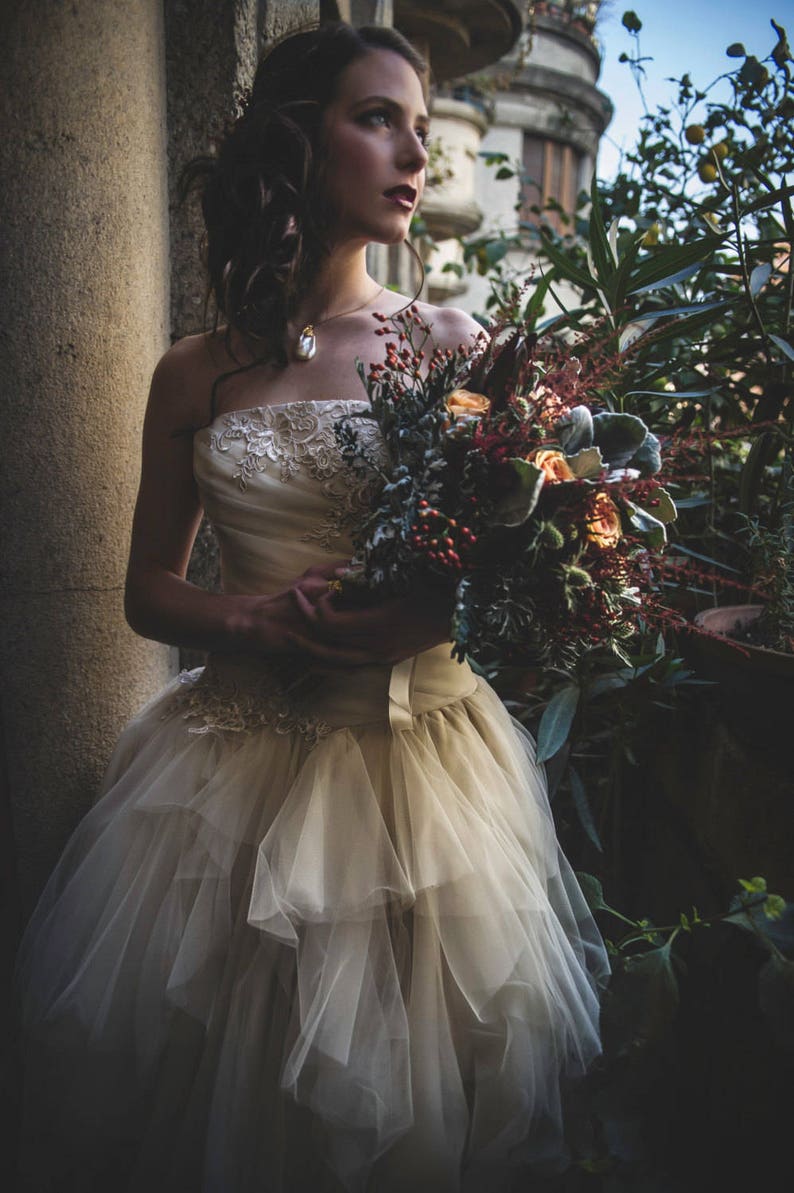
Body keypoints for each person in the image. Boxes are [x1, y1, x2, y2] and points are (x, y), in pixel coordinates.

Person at [15, 22, 608, 1193]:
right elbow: (147, 591)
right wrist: (249, 622)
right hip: (229, 789)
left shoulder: (453, 348)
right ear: (298, 139)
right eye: (377, 118)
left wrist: (423, 620)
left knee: (400, 1118)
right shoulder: (196, 370)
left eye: (421, 130)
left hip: (419, 784)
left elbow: (525, 569)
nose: (414, 154)